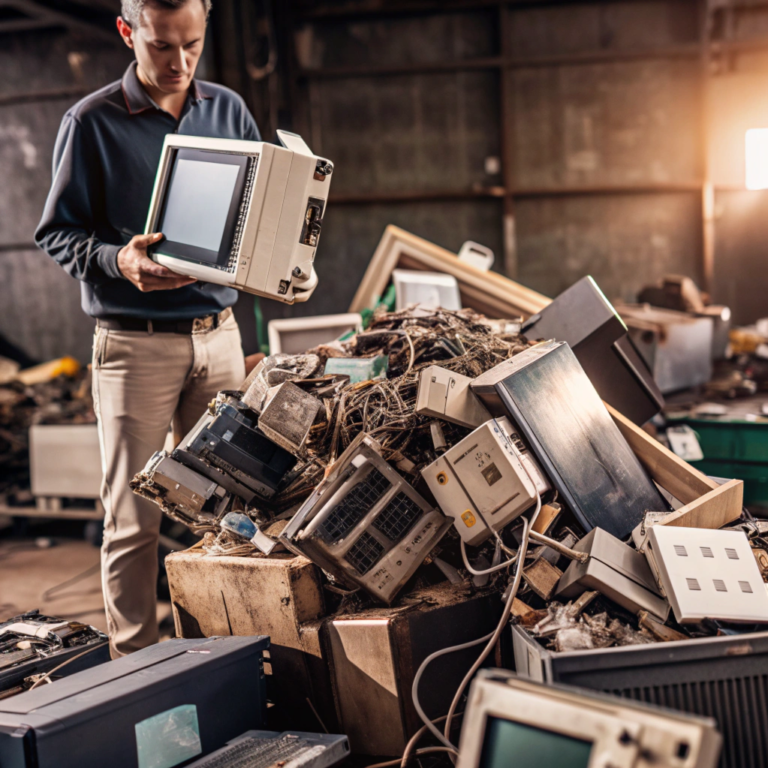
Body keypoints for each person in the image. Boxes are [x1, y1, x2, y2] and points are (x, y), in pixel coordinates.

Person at [35, 0, 260, 657]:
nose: (180, 62)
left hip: (219, 336)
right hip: (136, 345)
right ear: (127, 31)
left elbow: (257, 214)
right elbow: (56, 232)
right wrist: (118, 260)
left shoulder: (228, 110)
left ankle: (225, 656)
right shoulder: (91, 122)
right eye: (162, 45)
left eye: (192, 44)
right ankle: (136, 669)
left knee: (231, 512)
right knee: (134, 520)